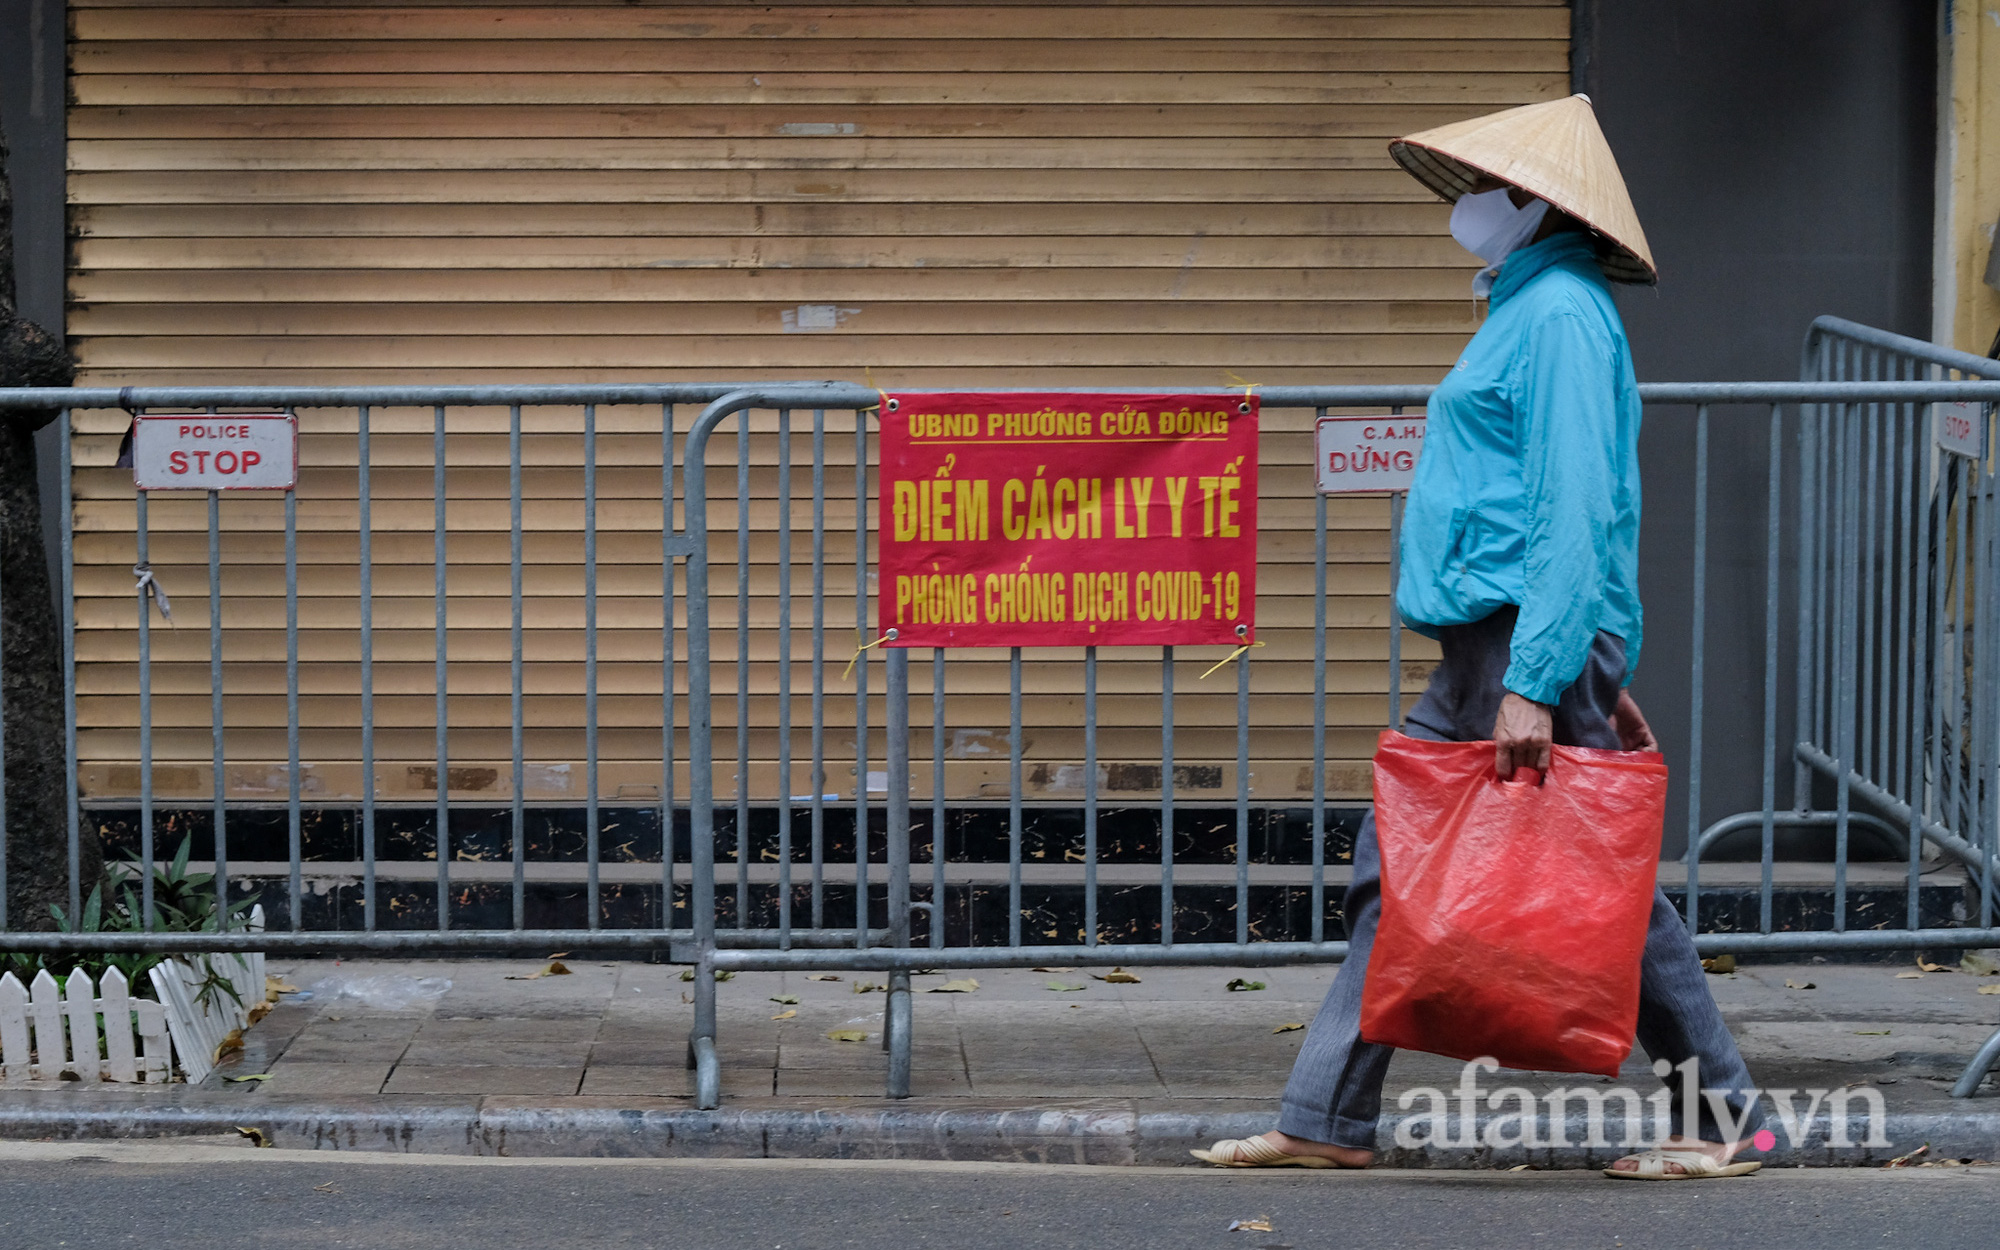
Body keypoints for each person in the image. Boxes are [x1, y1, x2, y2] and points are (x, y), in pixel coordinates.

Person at [1192, 95, 1765, 1180]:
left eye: (1486, 188)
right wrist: (1592, 656)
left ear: (1534, 201)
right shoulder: (1528, 306)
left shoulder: (1552, 315)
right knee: (1404, 866)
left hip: (1515, 644)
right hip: (1500, 644)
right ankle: (1324, 1115)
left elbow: (1572, 501)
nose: (1468, 207)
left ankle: (1724, 1116)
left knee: (1591, 886)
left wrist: (1545, 674)